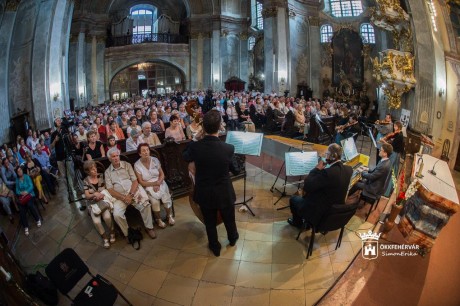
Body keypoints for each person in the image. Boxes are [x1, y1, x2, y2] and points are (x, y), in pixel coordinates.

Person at [183, 110, 241, 257]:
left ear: (204, 127)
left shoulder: (196, 147)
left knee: (209, 222)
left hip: (205, 192)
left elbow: (185, 156)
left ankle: (214, 246)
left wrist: (195, 138)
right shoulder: (228, 148)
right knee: (229, 218)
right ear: (219, 126)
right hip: (224, 192)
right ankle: (232, 238)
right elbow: (236, 171)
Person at [288, 143, 353, 228]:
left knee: (293, 199)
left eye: (327, 154)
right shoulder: (349, 170)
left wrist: (316, 169)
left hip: (322, 212)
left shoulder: (327, 173)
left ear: (333, 156)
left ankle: (298, 223)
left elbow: (307, 185)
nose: (326, 156)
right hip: (337, 210)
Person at [105, 148, 156, 239]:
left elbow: (135, 181)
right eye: (113, 157)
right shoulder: (107, 172)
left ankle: (149, 228)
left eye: (117, 156)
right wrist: (124, 197)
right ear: (109, 159)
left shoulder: (127, 165)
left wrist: (130, 195)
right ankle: (128, 233)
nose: (116, 158)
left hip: (133, 192)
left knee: (146, 205)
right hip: (119, 197)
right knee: (117, 214)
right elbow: (110, 190)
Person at [134, 143, 174, 229]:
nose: (146, 152)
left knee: (166, 198)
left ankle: (169, 216)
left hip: (159, 181)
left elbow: (162, 174)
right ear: (139, 153)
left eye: (147, 150)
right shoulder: (137, 165)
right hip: (148, 185)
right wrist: (154, 184)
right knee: (155, 202)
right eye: (143, 151)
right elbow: (141, 182)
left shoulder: (155, 160)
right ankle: (158, 219)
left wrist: (158, 182)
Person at [83, 160, 115, 249]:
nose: (95, 170)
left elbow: (104, 189)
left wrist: (99, 195)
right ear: (88, 172)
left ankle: (112, 232)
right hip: (92, 203)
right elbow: (87, 195)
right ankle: (105, 238)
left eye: (95, 168)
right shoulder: (86, 181)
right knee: (96, 221)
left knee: (107, 217)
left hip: (102, 200)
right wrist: (94, 195)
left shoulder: (101, 176)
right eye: (92, 169)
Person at [15, 167, 41, 236]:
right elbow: (17, 190)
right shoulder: (17, 180)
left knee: (30, 205)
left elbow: (31, 186)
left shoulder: (26, 176)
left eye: (20, 170)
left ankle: (37, 219)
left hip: (30, 195)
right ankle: (25, 226)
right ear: (17, 173)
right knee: (21, 210)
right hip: (23, 197)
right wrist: (21, 193)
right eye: (18, 171)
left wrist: (26, 192)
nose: (20, 172)